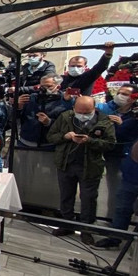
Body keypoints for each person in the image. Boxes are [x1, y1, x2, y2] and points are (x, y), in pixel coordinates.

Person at [46, 96, 116, 244]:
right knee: (66, 196)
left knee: (88, 199)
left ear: (94, 109)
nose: (83, 115)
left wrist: (89, 141)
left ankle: (86, 229)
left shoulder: (104, 121)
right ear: (74, 108)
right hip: (66, 163)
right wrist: (65, 136)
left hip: (90, 166)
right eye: (80, 112)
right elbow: (51, 136)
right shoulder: (65, 117)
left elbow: (110, 144)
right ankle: (67, 224)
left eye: (87, 112)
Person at [96, 84, 138, 219]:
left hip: (124, 155)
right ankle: (102, 217)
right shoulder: (106, 108)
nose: (120, 96)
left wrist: (123, 124)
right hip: (104, 152)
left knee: (119, 190)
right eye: (119, 93)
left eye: (125, 94)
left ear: (134, 98)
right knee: (105, 188)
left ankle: (114, 219)